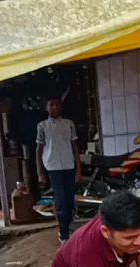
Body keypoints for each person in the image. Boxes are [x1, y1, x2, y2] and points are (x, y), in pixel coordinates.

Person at [37, 96, 82, 243]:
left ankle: (66, 227)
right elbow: (39, 149)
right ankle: (64, 235)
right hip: (53, 166)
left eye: (57, 105)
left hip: (68, 165)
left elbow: (75, 147)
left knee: (69, 201)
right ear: (47, 108)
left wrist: (78, 169)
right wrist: (40, 172)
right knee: (61, 201)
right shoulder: (42, 126)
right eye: (52, 105)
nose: (55, 107)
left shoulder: (69, 124)